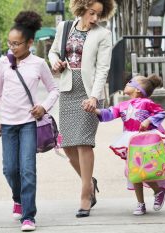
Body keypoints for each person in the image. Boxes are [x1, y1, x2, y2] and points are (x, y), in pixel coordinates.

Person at [0, 11, 59, 232]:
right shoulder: (3, 63)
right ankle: (17, 197)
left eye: (16, 44)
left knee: (28, 169)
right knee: (10, 169)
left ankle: (29, 215)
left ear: (29, 43)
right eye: (10, 44)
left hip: (29, 124)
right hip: (7, 125)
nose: (12, 48)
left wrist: (43, 106)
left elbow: (54, 90)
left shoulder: (38, 64)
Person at [48, 0, 116, 218]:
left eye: (99, 14)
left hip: (89, 94)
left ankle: (85, 196)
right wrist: (56, 63)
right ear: (81, 8)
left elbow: (103, 68)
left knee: (84, 143)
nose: (95, 18)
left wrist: (94, 97)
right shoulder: (64, 27)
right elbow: (52, 53)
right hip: (68, 91)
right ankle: (90, 182)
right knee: (68, 146)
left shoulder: (103, 34)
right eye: (91, 12)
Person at [93, 74, 165, 215]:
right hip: (130, 141)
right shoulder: (122, 105)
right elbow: (109, 113)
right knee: (133, 172)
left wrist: (148, 121)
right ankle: (141, 203)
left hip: (146, 141)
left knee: (142, 170)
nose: (127, 83)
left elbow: (161, 113)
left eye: (131, 82)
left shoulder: (146, 103)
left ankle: (158, 190)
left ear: (138, 90)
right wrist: (94, 110)